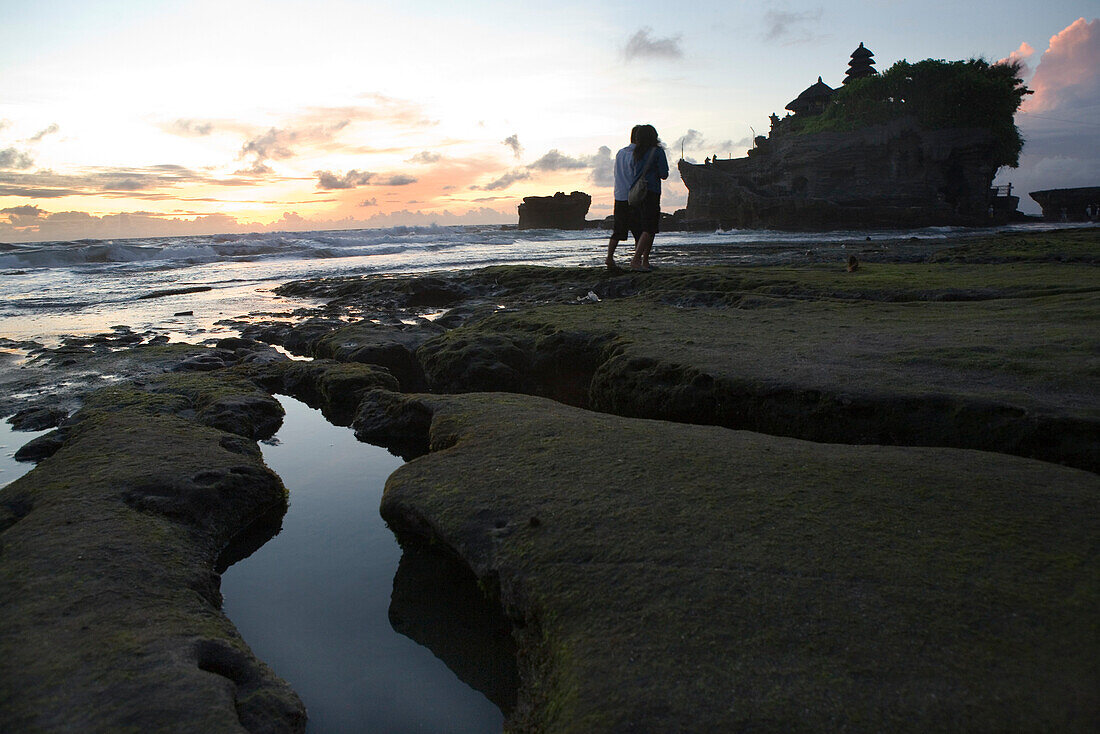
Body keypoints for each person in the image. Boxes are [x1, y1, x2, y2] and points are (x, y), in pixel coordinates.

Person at [628, 124, 669, 272]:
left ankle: (644, 262)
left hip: (637, 194)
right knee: (650, 227)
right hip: (651, 191)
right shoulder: (657, 152)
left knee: (647, 228)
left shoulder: (636, 153)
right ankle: (637, 260)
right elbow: (664, 174)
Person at [606, 125, 643, 271]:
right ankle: (637, 260)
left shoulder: (620, 153)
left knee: (618, 230)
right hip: (633, 196)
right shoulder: (638, 154)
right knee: (639, 230)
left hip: (619, 195)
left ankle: (609, 258)